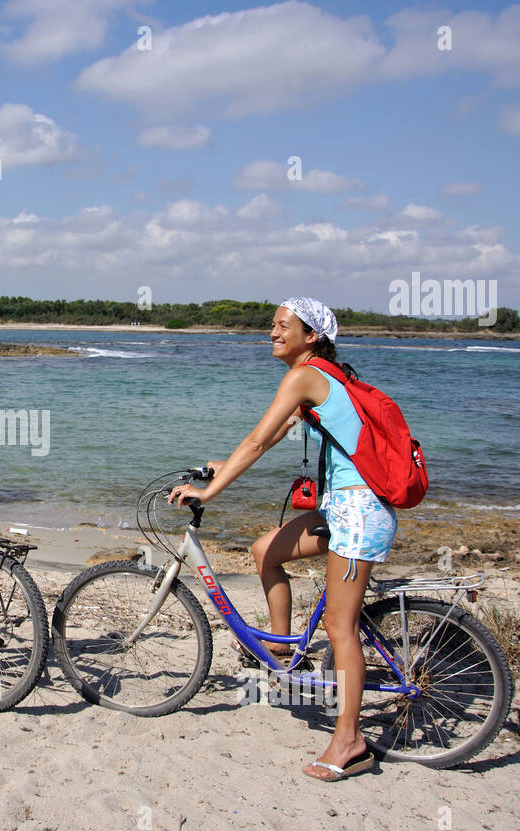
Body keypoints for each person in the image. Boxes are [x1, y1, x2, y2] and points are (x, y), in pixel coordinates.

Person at [168, 296, 397, 782]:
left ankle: (350, 741)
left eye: (282, 325)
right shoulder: (319, 378)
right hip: (342, 508)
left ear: (311, 335)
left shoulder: (306, 375)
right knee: (263, 551)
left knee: (341, 628)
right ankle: (281, 656)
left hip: (359, 512)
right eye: (271, 325)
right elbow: (268, 441)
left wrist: (210, 490)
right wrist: (221, 466)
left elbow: (256, 440)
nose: (272, 332)